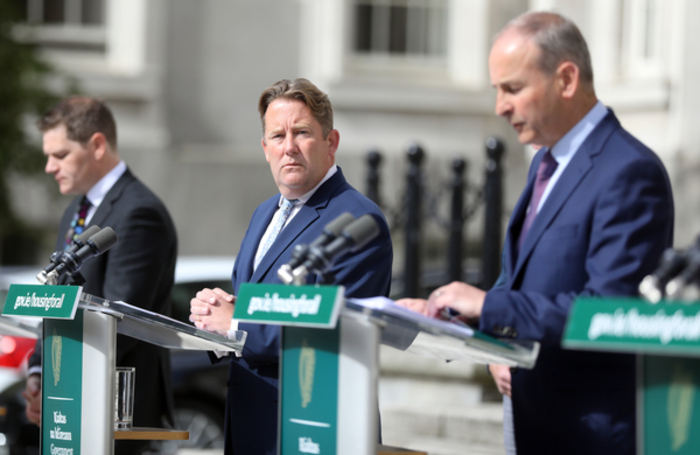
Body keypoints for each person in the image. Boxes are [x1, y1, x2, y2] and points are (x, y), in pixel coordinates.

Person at [399, 11, 674, 455]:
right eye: (497, 90)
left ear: (566, 79)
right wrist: (470, 324)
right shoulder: (544, 164)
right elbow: (524, 281)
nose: (500, 107)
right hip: (530, 421)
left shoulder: (629, 171)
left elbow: (608, 312)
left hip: (590, 434)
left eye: (513, 88)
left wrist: (492, 305)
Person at [189, 78, 393, 455]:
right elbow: (266, 299)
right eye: (278, 136)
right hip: (251, 423)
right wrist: (214, 316)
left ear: (331, 143)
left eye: (302, 133)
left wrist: (236, 322)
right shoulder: (264, 213)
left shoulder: (357, 220)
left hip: (314, 426)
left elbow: (339, 328)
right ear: (265, 148)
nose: (290, 148)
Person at [23, 96, 178, 455]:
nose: (49, 167)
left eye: (60, 155)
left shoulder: (138, 212)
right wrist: (38, 374)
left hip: (116, 410)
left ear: (96, 145)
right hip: (70, 398)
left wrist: (58, 384)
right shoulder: (76, 209)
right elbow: (56, 301)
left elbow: (120, 321)